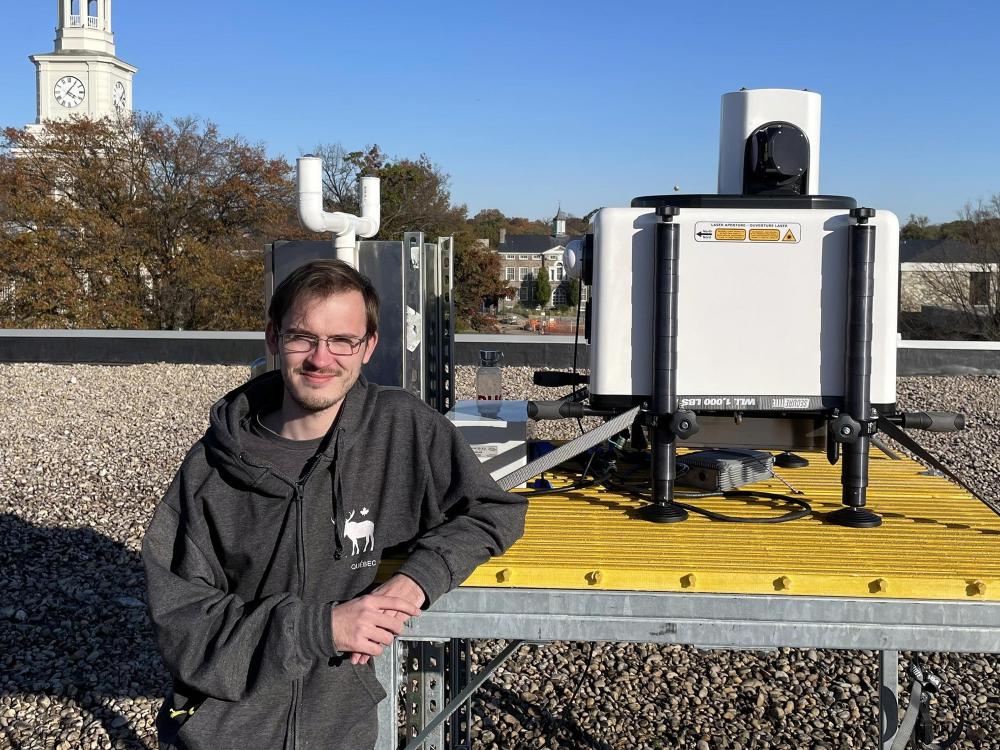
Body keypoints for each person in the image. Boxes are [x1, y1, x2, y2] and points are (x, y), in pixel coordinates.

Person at [142, 259, 527, 750]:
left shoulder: (402, 429)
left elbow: (493, 510)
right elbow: (183, 628)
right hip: (228, 729)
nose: (321, 359)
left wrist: (415, 582)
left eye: (342, 341)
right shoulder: (210, 472)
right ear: (273, 340)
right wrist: (322, 628)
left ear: (368, 347)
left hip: (341, 727)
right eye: (303, 337)